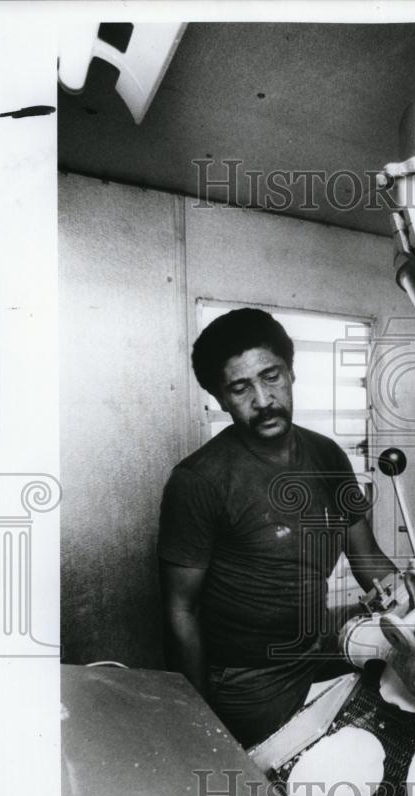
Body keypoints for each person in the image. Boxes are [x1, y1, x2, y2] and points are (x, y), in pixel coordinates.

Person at [158, 308, 398, 748]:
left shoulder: (329, 458)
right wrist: (197, 719)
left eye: (271, 377)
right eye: (240, 387)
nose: (263, 400)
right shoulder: (198, 481)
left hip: (321, 653)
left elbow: (367, 559)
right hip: (248, 682)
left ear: (291, 372)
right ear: (220, 398)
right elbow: (180, 610)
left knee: (388, 734)